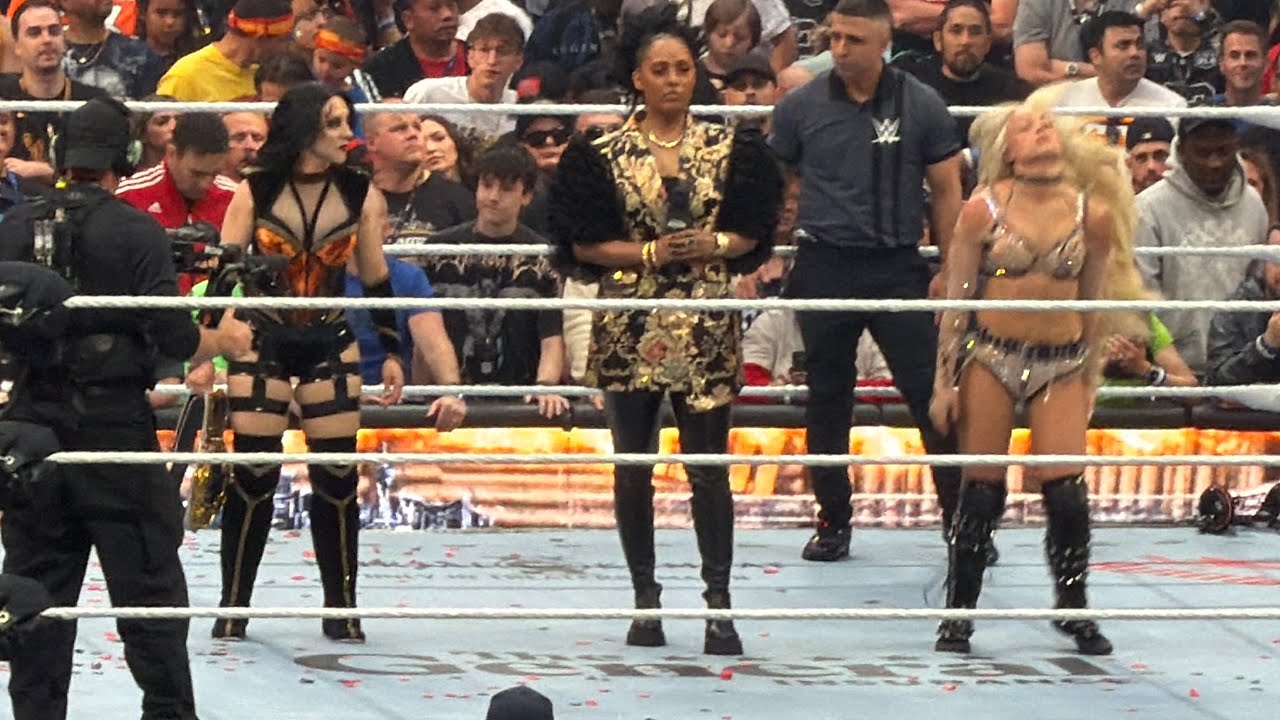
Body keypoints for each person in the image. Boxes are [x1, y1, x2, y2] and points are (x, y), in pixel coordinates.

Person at [0, 96, 253, 720]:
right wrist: (224, 339)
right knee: (150, 595)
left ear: (60, 155)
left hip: (30, 428)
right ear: (128, 157)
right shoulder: (136, 229)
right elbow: (174, 337)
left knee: (36, 598)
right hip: (113, 428)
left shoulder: (13, 226)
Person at [548, 2, 781, 655]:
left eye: (683, 68)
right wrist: (650, 253)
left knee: (708, 469)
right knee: (633, 467)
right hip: (629, 321)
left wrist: (715, 243)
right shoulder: (599, 151)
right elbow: (581, 243)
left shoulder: (731, 147)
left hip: (705, 320)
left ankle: (719, 607)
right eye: (661, 70)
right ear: (638, 78)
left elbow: (754, 232)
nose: (674, 79)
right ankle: (645, 602)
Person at [928, 90, 1151, 656]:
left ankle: (1073, 607)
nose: (1042, 130)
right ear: (1008, 149)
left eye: (1047, 123)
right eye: (1027, 127)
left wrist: (1091, 377)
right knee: (982, 490)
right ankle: (958, 613)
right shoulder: (983, 209)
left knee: (1068, 493)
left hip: (1062, 361)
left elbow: (1093, 307)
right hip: (991, 354)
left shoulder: (1092, 215)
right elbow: (957, 301)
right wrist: (943, 382)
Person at [768, 0, 965, 562]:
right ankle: (832, 521)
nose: (840, 49)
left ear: (883, 42)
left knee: (930, 394)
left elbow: (947, 190)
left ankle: (962, 522)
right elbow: (773, 180)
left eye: (853, 39)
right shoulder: (801, 106)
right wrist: (765, 252)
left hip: (896, 264)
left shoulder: (920, 102)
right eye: (834, 37)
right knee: (827, 398)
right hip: (824, 261)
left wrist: (951, 269)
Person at [216, 82, 406, 643]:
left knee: (338, 478)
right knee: (252, 475)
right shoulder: (255, 189)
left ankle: (341, 607)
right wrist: (207, 344)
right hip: (263, 336)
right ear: (305, 130)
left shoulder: (357, 189)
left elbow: (375, 274)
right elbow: (224, 274)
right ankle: (233, 606)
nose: (348, 134)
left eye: (347, 121)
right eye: (334, 123)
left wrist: (393, 351)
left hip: (329, 337)